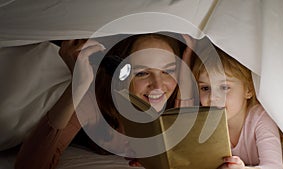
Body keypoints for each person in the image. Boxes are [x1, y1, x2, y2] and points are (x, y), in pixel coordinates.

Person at [15, 32, 194, 169]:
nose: (157, 85)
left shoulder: (181, 96)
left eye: (168, 71)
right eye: (142, 73)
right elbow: (29, 165)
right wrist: (76, 87)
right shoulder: (96, 100)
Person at [192, 39, 283, 169]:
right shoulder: (208, 125)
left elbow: (274, 166)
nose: (212, 98)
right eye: (205, 88)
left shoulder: (260, 118)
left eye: (224, 87)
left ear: (248, 90)